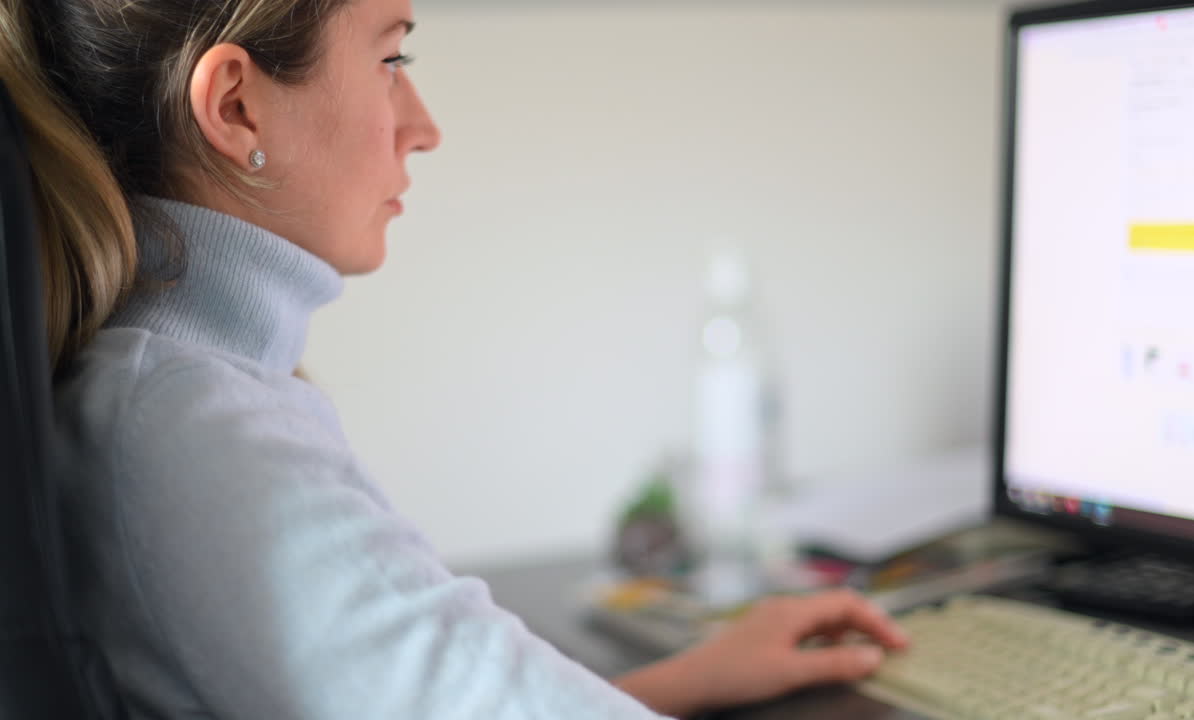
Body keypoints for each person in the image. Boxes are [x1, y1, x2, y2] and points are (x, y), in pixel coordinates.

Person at [0, 0, 909, 717]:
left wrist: (693, 677)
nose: (423, 125)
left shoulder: (176, 390)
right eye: (392, 59)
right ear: (236, 106)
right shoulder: (189, 428)